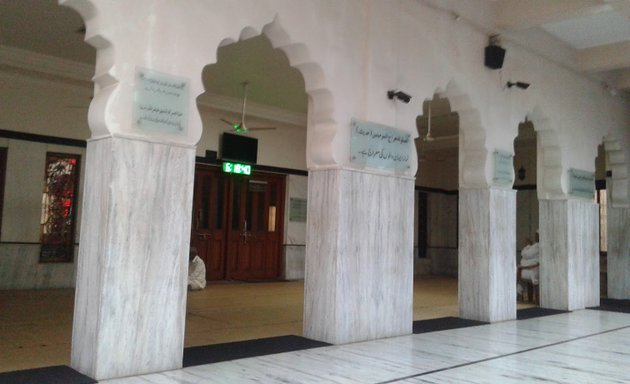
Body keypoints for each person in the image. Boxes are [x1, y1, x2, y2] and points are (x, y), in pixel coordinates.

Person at [517, 231, 539, 300]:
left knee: (517, 272)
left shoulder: (537, 246)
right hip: (531, 268)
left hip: (534, 270)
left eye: (536, 235)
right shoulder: (535, 245)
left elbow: (525, 255)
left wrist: (527, 245)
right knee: (520, 269)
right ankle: (520, 294)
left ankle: (519, 294)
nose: (535, 237)